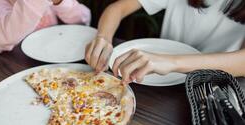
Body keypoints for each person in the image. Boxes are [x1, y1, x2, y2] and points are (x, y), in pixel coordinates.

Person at [85, 0, 245, 84]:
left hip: (214, 85)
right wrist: (103, 38)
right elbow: (117, 9)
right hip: (158, 79)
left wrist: (171, 62)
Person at [0, 0, 91, 52]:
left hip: (53, 54)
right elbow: (4, 38)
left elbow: (84, 19)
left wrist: (60, 2)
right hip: (14, 65)